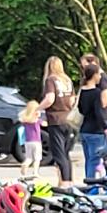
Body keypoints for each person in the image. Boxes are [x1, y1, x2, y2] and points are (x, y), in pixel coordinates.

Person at [76, 54, 107, 183]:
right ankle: (92, 184)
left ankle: (87, 180)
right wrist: (105, 128)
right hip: (95, 131)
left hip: (84, 129)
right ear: (94, 75)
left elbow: (81, 110)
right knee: (95, 159)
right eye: (98, 74)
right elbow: (98, 112)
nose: (100, 77)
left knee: (88, 159)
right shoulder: (96, 93)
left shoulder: (83, 91)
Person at [39, 55, 76, 183]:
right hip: (69, 119)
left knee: (59, 154)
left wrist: (37, 109)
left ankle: (65, 182)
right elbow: (72, 101)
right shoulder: (67, 81)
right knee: (66, 154)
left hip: (56, 119)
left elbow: (50, 99)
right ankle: (69, 180)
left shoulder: (51, 80)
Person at [16, 101, 43, 180]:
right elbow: (45, 124)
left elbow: (20, 117)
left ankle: (25, 166)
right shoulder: (37, 121)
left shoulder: (26, 120)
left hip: (28, 141)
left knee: (29, 158)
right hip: (37, 141)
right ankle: (35, 172)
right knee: (37, 158)